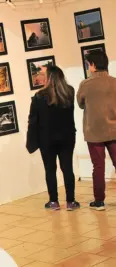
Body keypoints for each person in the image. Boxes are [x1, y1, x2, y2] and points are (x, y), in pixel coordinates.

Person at [27, 66, 80, 211]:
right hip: (67, 137)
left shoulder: (39, 96)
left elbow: (33, 121)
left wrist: (31, 141)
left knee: (50, 170)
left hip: (46, 139)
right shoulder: (69, 92)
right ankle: (71, 202)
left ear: (49, 77)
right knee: (67, 168)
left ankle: (53, 202)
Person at [77, 50, 116, 211]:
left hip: (93, 132)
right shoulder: (114, 82)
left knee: (98, 166)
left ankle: (99, 201)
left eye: (88, 64)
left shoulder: (85, 85)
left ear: (92, 65)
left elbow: (80, 103)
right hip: (114, 129)